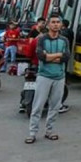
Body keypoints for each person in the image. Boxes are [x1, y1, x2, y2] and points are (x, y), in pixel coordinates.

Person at [25, 15, 69, 144]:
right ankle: (32, 133)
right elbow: (40, 56)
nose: (56, 24)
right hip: (44, 76)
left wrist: (49, 56)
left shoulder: (64, 40)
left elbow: (66, 56)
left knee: (55, 106)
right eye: (53, 22)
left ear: (61, 25)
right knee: (37, 106)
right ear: (48, 25)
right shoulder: (42, 39)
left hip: (59, 77)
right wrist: (57, 56)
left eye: (58, 22)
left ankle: (49, 131)